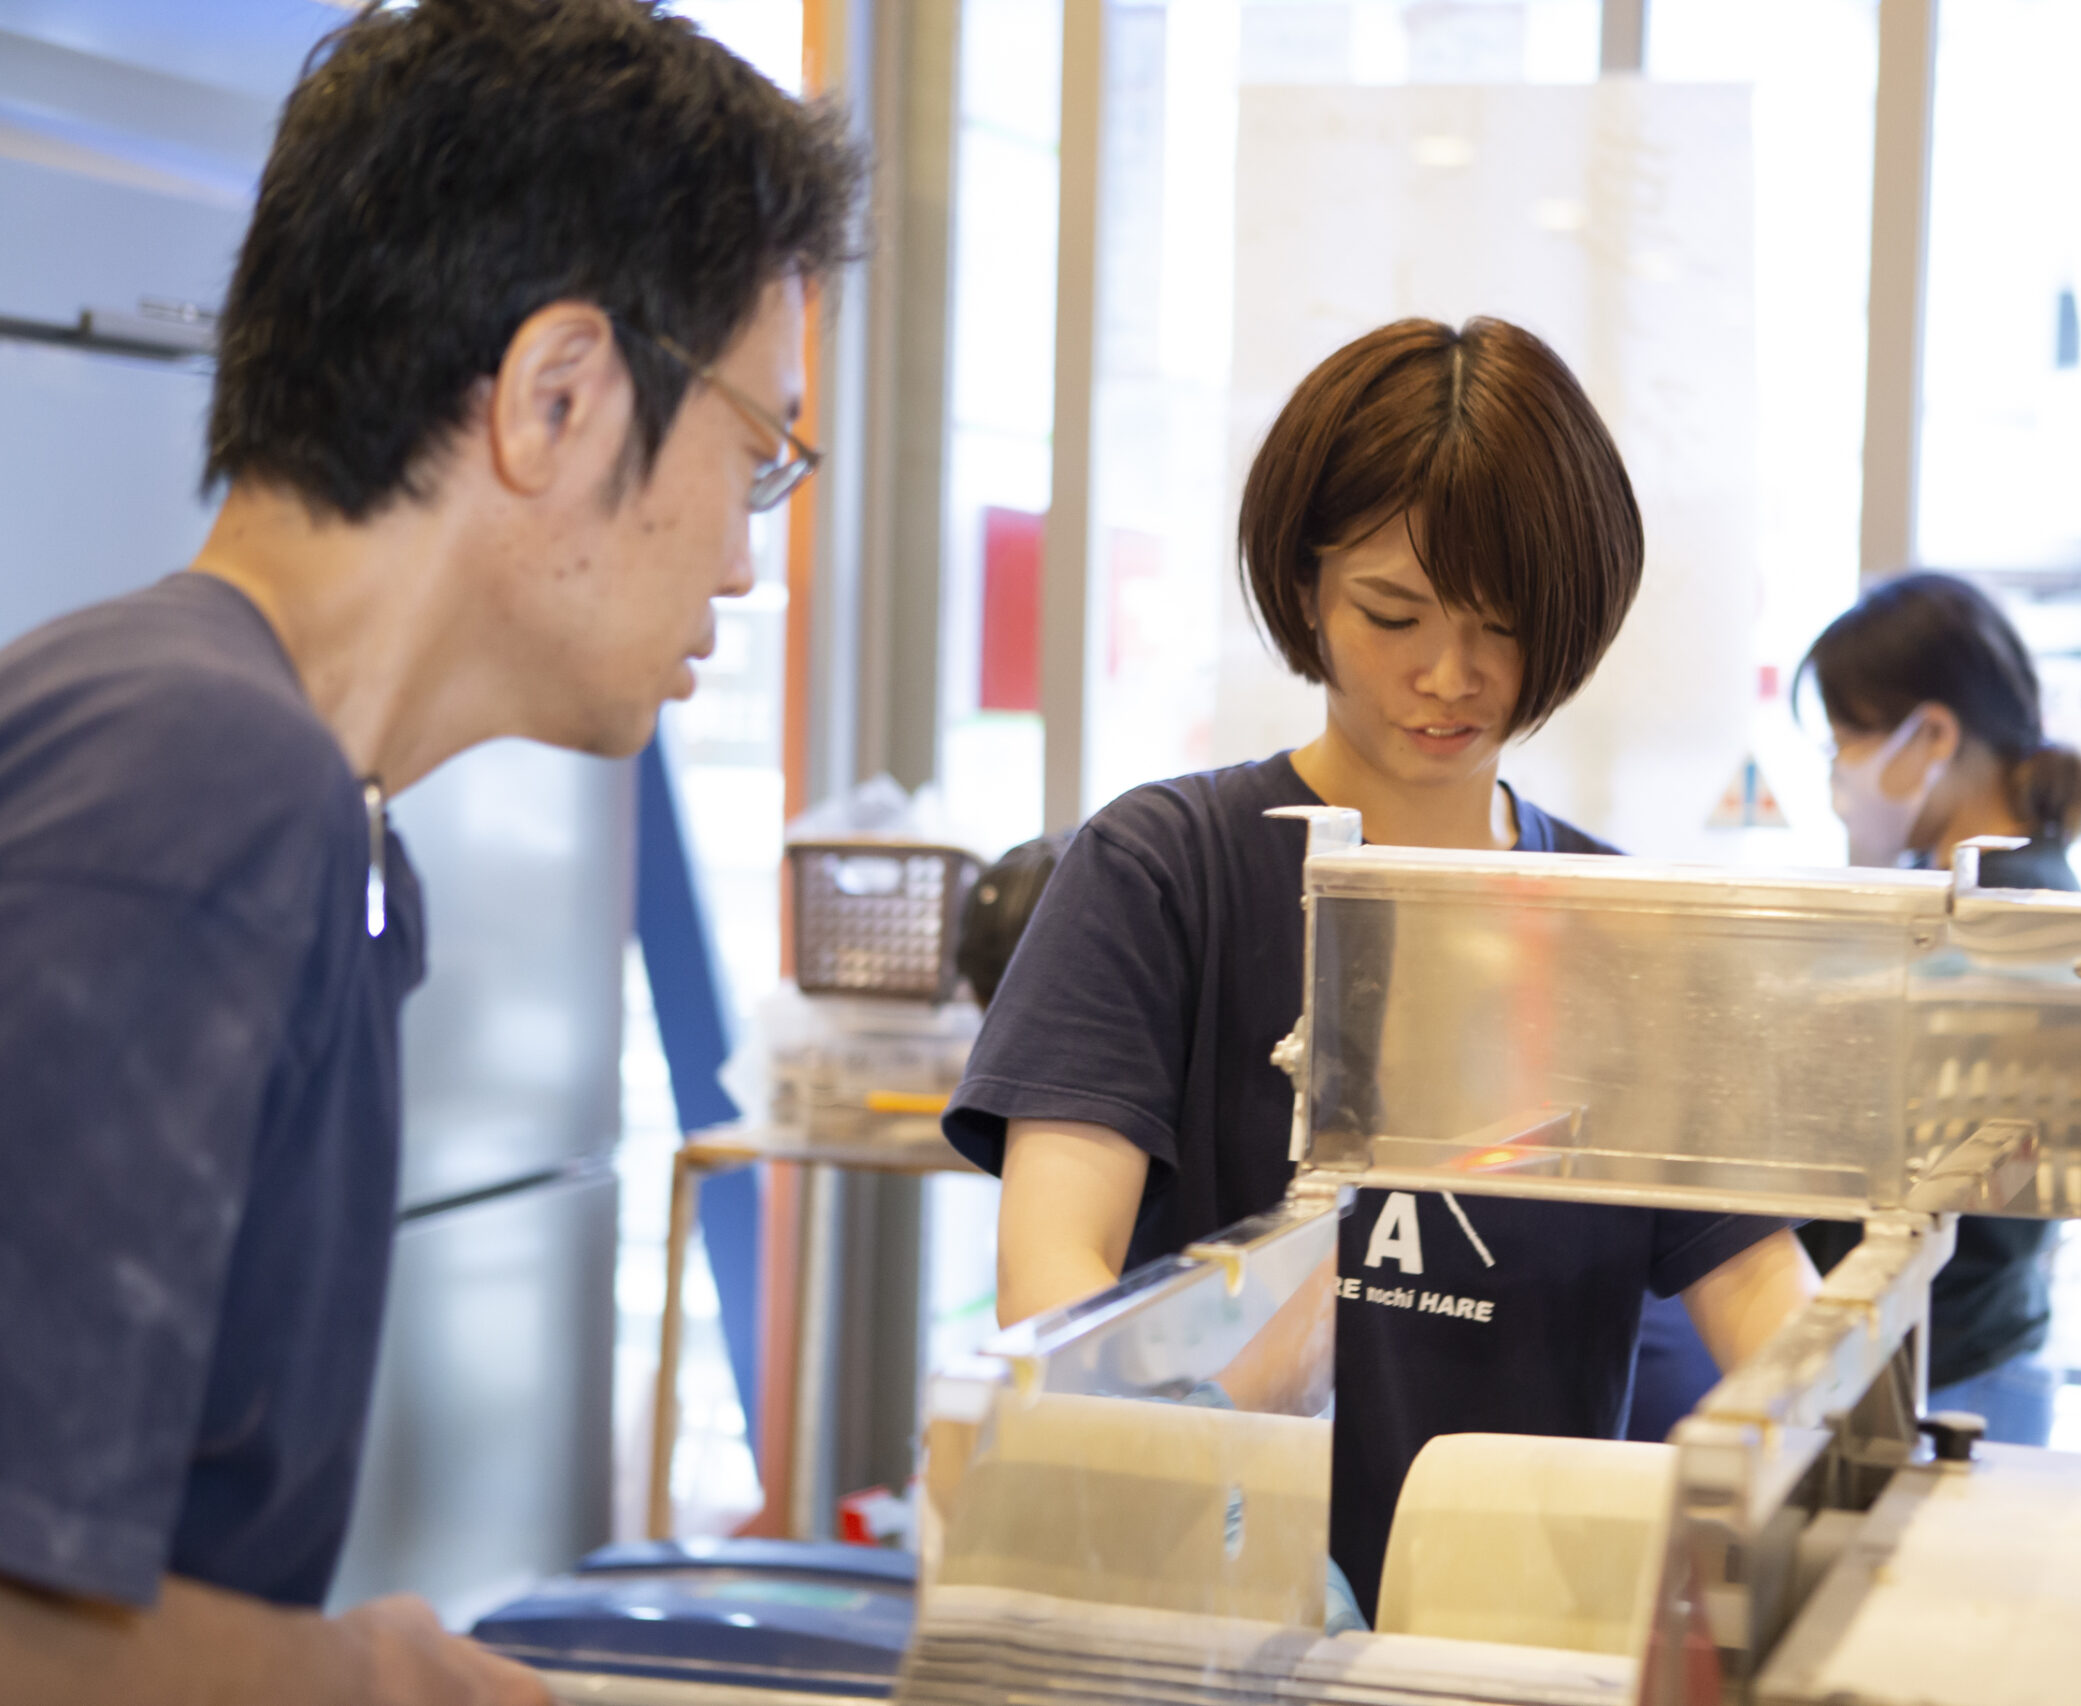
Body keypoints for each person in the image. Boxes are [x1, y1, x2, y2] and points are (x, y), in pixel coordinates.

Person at [0, 4, 858, 1701]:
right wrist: (385, 1678)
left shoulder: (294, 797)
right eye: (757, 461)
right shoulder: (204, 784)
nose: (747, 574)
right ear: (556, 398)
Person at [941, 316, 1816, 1624]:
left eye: (1502, 629)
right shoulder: (1164, 872)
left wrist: (1846, 1481)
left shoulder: (1621, 930)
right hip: (1201, 1629)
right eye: (1392, 612)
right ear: (1305, 585)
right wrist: (1209, 1430)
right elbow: (1057, 1276)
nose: (1449, 675)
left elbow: (1757, 1285)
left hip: (1513, 1642)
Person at [1801, 569, 2081, 1444]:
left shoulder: (2012, 917)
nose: (1839, 774)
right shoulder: (1964, 897)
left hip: (1958, 1370)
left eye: (1845, 741)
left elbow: (2011, 1177)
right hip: (1950, 1352)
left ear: (1932, 733)